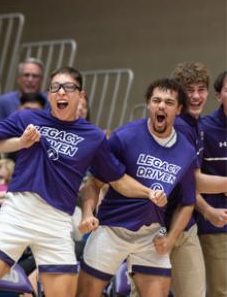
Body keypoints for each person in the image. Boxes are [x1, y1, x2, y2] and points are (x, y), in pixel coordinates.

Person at [0, 66, 167, 297]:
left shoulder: (94, 137)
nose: (61, 92)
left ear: (81, 95)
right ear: (49, 94)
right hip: (18, 212)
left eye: (68, 87)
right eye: (55, 87)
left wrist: (148, 193)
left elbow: (118, 180)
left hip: (56, 221)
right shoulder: (27, 118)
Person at [76, 78, 197, 297]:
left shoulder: (187, 152)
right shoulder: (125, 137)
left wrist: (170, 239)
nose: (161, 106)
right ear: (148, 105)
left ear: (178, 110)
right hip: (112, 228)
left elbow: (187, 203)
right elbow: (93, 183)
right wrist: (87, 212)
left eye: (169, 102)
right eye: (156, 100)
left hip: (151, 234)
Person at [163, 62, 227, 297]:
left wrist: (207, 209)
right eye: (189, 90)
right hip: (162, 222)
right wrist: (209, 209)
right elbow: (191, 180)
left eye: (201, 89)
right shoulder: (179, 126)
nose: (196, 96)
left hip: (186, 223)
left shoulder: (195, 125)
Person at [198, 70, 227, 297]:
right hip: (217, 225)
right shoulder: (204, 129)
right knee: (219, 291)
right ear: (219, 95)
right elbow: (192, 181)